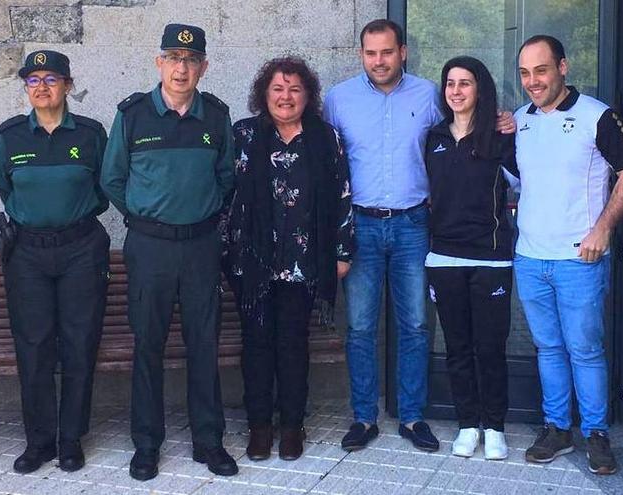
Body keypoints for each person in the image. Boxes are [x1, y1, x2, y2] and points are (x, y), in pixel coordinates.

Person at [325, 19, 514, 453]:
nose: (379, 61)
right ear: (361, 55)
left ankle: (412, 417)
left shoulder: (431, 94)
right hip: (362, 224)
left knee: (414, 325)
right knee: (359, 327)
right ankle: (363, 417)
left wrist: (503, 120)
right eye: (371, 53)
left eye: (387, 52)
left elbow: (462, 128)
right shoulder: (339, 99)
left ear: (403, 52)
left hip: (414, 225)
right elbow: (326, 158)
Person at [101, 23, 238, 480]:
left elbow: (226, 179)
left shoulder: (216, 117)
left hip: (201, 246)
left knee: (204, 345)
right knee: (148, 346)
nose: (182, 68)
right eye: (173, 59)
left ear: (203, 66)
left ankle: (209, 441)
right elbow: (112, 179)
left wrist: (199, 214)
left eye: (191, 59)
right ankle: (146, 444)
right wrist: (145, 214)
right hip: (149, 247)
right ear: (159, 63)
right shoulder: (134, 115)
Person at [514, 35, 623, 475]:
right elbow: (519, 182)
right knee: (548, 347)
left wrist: (603, 228)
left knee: (584, 349)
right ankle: (556, 428)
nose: (533, 81)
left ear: (563, 68)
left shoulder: (596, 115)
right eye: (526, 73)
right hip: (529, 258)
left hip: (578, 259)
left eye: (541, 70)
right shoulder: (520, 120)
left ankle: (597, 434)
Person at [223, 57, 354, 461]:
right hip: (254, 264)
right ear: (264, 94)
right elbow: (224, 196)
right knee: (257, 346)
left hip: (303, 263)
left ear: (308, 95)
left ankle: (293, 426)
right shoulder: (243, 135)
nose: (286, 97)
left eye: (295, 89)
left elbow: (343, 196)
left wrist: (342, 251)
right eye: (278, 89)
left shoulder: (325, 138)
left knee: (294, 347)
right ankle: (260, 427)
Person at [0, 50, 110, 474]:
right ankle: (38, 440)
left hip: (81, 247)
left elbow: (106, 186)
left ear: (68, 85)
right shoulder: (11, 136)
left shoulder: (92, 134)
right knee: (34, 345)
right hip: (27, 252)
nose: (42, 87)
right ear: (26, 87)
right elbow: (7, 190)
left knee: (80, 344)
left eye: (51, 79)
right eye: (33, 80)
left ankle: (70, 439)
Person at [424, 56, 519, 460]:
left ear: (480, 89)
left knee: (490, 347)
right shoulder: (433, 137)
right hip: (444, 257)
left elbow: (524, 187)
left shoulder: (501, 136)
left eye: (465, 83)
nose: (457, 90)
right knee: (458, 348)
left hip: (491, 258)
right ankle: (467, 424)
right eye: (450, 83)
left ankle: (494, 426)